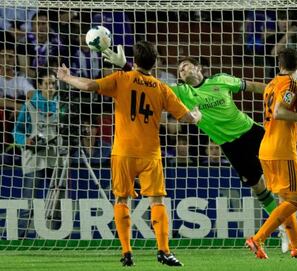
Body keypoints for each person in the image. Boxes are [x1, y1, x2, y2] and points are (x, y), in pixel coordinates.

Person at [103, 45, 291, 252]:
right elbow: (149, 84)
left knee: (286, 159)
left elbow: (253, 86)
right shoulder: (182, 92)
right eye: (180, 70)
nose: (182, 70)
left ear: (199, 68)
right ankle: (285, 229)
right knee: (259, 188)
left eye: (186, 66)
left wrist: (278, 93)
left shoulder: (221, 80)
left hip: (251, 131)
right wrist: (126, 66)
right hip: (230, 146)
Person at [57, 41, 201, 267]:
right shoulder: (161, 88)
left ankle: (126, 251)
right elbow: (186, 119)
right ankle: (163, 251)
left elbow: (88, 86)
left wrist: (66, 77)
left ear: (135, 61)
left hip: (123, 151)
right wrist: (196, 116)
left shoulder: (121, 79)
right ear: (155, 63)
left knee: (121, 199)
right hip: (150, 153)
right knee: (157, 201)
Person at [245, 48, 297, 259]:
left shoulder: (271, 85)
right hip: (282, 152)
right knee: (296, 200)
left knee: (285, 200)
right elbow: (280, 112)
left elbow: (275, 120)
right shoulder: (290, 85)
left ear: (279, 65)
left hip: (268, 148)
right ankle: (258, 238)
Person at [12, 69, 60, 237]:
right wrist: (25, 141)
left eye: (53, 83)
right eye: (46, 83)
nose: (50, 87)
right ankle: (21, 237)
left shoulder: (62, 106)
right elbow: (16, 131)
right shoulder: (30, 104)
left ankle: (56, 237)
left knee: (57, 202)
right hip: (35, 157)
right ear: (39, 86)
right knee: (28, 200)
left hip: (56, 158)